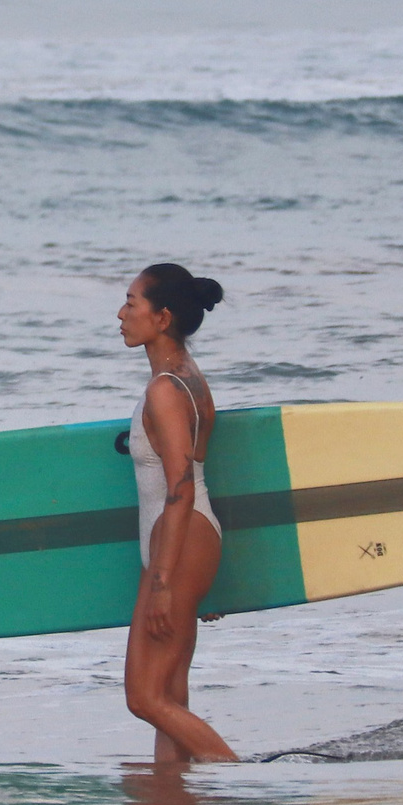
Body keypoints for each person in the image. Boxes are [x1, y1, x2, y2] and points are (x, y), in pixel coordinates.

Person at [118, 264, 238, 763]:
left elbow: (181, 487)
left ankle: (239, 776)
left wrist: (167, 584)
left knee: (143, 697)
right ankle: (173, 800)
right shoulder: (190, 377)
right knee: (170, 691)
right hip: (186, 540)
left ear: (162, 317)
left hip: (179, 537)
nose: (121, 314)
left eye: (131, 303)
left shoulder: (166, 390)